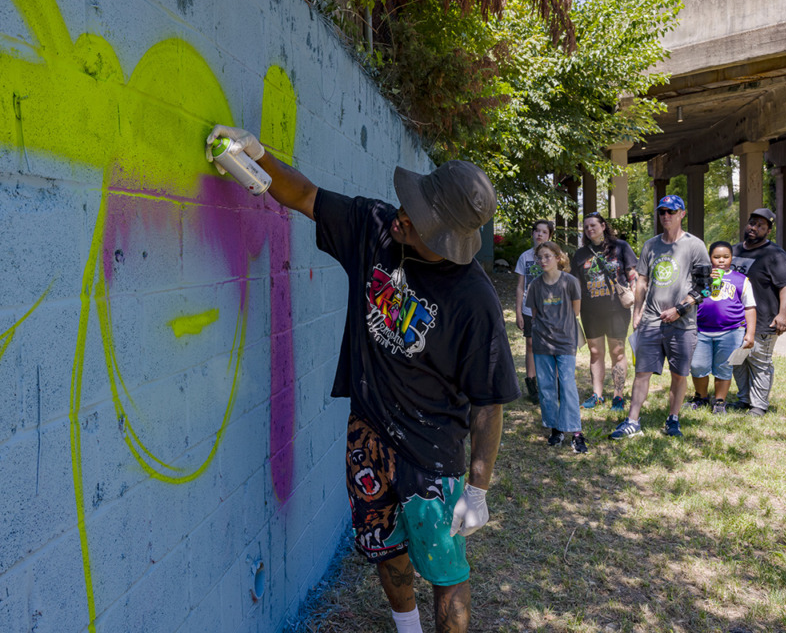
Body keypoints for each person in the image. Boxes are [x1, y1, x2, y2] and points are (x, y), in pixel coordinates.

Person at [205, 125, 521, 633]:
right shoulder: (374, 228)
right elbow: (306, 196)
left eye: (415, 216)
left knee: (445, 571)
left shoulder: (474, 300)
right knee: (386, 551)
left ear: (442, 237)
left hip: (432, 454)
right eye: (409, 202)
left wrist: (478, 488)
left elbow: (489, 404)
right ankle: (406, 628)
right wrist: (259, 156)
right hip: (367, 434)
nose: (402, 213)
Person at [610, 195, 710, 439]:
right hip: (652, 320)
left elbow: (706, 287)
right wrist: (637, 312)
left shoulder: (695, 246)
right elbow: (642, 280)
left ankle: (673, 419)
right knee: (642, 371)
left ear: (682, 214)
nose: (666, 216)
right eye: (662, 211)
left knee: (679, 374)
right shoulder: (651, 245)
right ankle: (633, 420)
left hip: (683, 323)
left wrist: (679, 309)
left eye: (671, 211)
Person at [727, 208, 786, 417]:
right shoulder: (735, 250)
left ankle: (758, 405)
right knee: (737, 361)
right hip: (735, 320)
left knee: (759, 363)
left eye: (760, 226)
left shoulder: (775, 255)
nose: (754, 228)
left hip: (764, 320)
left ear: (768, 230)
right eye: (752, 223)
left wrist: (783, 315)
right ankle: (744, 399)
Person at [571, 212, 638, 412]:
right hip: (590, 311)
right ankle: (597, 395)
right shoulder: (580, 254)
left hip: (616, 309)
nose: (590, 229)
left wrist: (636, 300)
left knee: (617, 351)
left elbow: (632, 275)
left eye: (593, 225)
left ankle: (618, 396)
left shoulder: (621, 247)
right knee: (595, 352)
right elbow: (576, 284)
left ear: (603, 225)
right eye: (586, 227)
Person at [526, 241, 587, 453]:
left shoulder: (570, 282)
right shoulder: (534, 285)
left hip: (566, 341)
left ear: (558, 258)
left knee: (568, 384)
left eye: (547, 256)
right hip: (542, 342)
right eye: (540, 257)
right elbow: (534, 315)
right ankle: (555, 428)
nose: (543, 261)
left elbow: (576, 312)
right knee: (546, 386)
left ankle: (576, 432)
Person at [687, 241, 756, 414]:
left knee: (724, 367)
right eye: (716, 257)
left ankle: (719, 401)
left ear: (732, 258)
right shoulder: (700, 278)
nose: (721, 260)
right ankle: (701, 397)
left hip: (732, 331)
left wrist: (750, 333)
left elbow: (750, 307)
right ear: (710, 258)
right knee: (697, 365)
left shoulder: (741, 280)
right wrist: (704, 280)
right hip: (701, 330)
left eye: (726, 257)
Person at [515, 220, 554, 404]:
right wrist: (517, 311)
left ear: (549, 236)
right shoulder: (525, 257)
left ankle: (548, 383)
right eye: (537, 231)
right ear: (532, 234)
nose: (539, 234)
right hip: (528, 309)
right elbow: (520, 286)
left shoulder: (553, 256)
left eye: (544, 232)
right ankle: (531, 384)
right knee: (530, 345)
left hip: (547, 309)